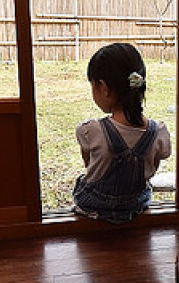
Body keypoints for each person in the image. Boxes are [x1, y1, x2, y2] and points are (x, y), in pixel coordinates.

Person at [73, 43, 171, 223]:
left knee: (82, 180)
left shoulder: (90, 130)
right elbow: (152, 168)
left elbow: (89, 164)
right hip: (135, 204)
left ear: (103, 87)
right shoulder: (158, 132)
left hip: (96, 206)